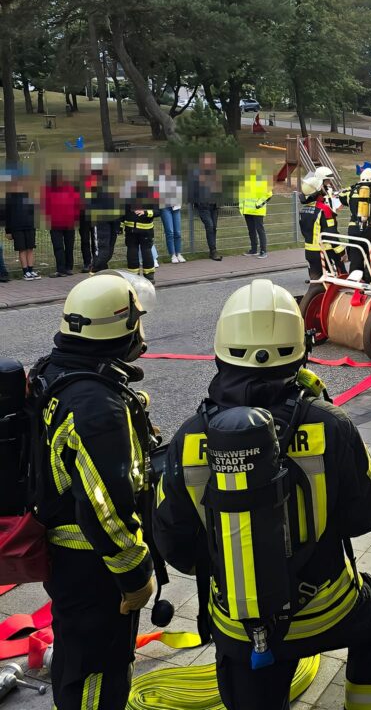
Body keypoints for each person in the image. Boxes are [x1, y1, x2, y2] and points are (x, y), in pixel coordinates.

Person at [154, 280, 371, 710]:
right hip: (327, 608)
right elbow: (364, 517)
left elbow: (174, 543)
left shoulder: (189, 439)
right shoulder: (331, 424)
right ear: (300, 348)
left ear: (220, 351)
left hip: (239, 628)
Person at [31, 273, 157, 710]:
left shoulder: (56, 372)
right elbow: (106, 508)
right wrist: (134, 574)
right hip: (95, 566)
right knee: (100, 670)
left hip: (67, 560)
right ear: (121, 329)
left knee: (75, 653)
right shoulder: (95, 407)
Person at [299, 167, 346, 280]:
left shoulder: (303, 210)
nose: (329, 183)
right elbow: (330, 233)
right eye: (327, 180)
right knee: (336, 280)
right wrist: (341, 251)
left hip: (310, 250)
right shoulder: (323, 209)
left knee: (316, 281)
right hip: (325, 249)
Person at [338, 166, 371, 281]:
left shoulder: (352, 192)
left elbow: (341, 196)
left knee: (356, 258)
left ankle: (354, 283)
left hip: (354, 230)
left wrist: (354, 186)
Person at [42, 167, 81, 277]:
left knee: (68, 246)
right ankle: (62, 268)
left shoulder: (69, 188)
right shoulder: (48, 189)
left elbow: (76, 203)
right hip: (57, 223)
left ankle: (67, 268)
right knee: (59, 246)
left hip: (67, 222)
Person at [122, 177, 158, 284]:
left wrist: (119, 225)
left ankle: (135, 278)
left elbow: (122, 210)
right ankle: (148, 277)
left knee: (136, 251)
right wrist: (147, 213)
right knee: (140, 251)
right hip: (141, 229)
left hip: (134, 228)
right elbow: (158, 211)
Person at [88, 165, 122, 272]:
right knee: (102, 250)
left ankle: (101, 269)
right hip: (101, 220)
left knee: (109, 250)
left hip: (114, 220)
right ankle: (95, 269)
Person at [189, 152, 223, 261]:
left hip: (214, 205)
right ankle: (213, 251)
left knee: (214, 228)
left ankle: (213, 250)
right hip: (203, 206)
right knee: (210, 226)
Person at [4, 174, 39, 279]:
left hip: (29, 225)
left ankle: (31, 270)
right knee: (22, 249)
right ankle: (25, 271)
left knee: (30, 248)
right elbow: (7, 214)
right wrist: (8, 230)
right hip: (16, 227)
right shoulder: (9, 196)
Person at [239, 158, 272, 258]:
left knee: (260, 230)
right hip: (247, 210)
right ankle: (253, 250)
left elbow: (268, 194)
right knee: (251, 231)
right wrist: (241, 207)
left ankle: (263, 251)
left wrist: (258, 204)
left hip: (257, 210)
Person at [158, 159, 185, 263]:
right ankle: (173, 255)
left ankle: (179, 253)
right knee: (170, 232)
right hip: (165, 207)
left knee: (178, 232)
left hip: (176, 207)